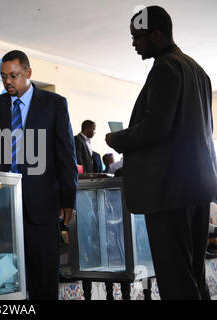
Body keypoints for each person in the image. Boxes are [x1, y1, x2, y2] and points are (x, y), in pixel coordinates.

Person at [105, 6, 217, 300]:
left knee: (175, 279)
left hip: (169, 190)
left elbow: (156, 127)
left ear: (156, 35)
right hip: (196, 188)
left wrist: (117, 138)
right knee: (193, 274)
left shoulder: (166, 67)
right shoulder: (199, 72)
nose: (133, 44)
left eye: (137, 38)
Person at [0, 50, 78, 300]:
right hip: (1, 204)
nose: (8, 81)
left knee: (43, 274)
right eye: (3, 76)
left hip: (41, 202)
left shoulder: (54, 104)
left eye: (14, 75)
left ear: (28, 73)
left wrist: (68, 199)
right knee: (7, 275)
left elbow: (66, 154)